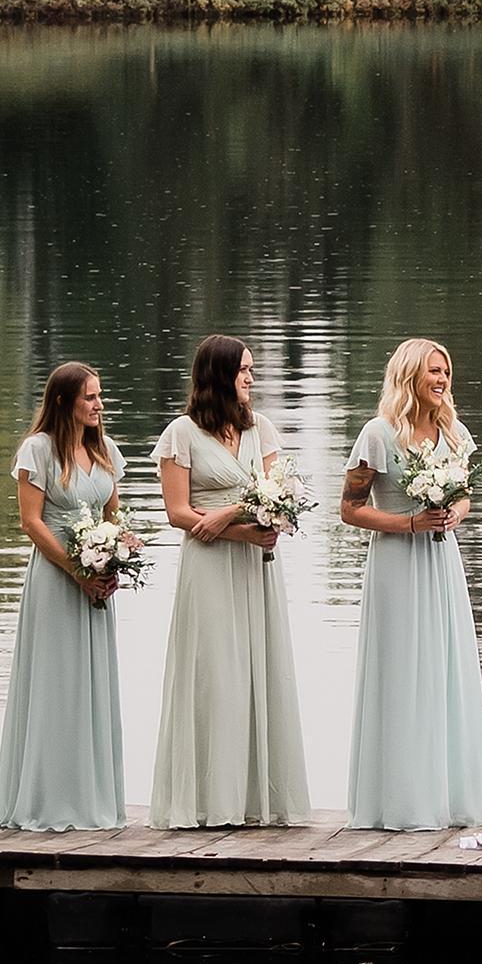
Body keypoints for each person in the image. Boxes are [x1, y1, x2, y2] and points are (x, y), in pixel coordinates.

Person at [153, 335, 307, 828]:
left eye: (252, 370)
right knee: (215, 675)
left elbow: (278, 493)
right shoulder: (181, 434)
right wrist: (232, 527)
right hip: (209, 567)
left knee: (261, 671)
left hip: (256, 566)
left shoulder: (260, 428)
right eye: (243, 370)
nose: (250, 378)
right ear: (219, 374)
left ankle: (255, 801)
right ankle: (208, 801)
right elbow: (178, 513)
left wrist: (230, 516)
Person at [343, 337, 482, 832]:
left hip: (441, 561)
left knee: (445, 668)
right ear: (410, 375)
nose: (442, 380)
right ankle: (400, 801)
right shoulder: (378, 434)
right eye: (433, 371)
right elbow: (350, 509)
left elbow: (465, 496)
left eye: (445, 371)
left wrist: (454, 514)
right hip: (396, 564)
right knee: (403, 671)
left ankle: (448, 797)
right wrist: (408, 523)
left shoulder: (455, 433)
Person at [0, 360, 127, 832]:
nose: (99, 404)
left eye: (99, 395)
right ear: (64, 401)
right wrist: (76, 570)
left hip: (96, 581)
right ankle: (46, 798)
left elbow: (113, 516)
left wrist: (112, 561)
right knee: (56, 682)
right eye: (90, 397)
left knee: (91, 684)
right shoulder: (38, 450)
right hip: (56, 578)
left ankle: (91, 796)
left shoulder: (105, 449)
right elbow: (31, 522)